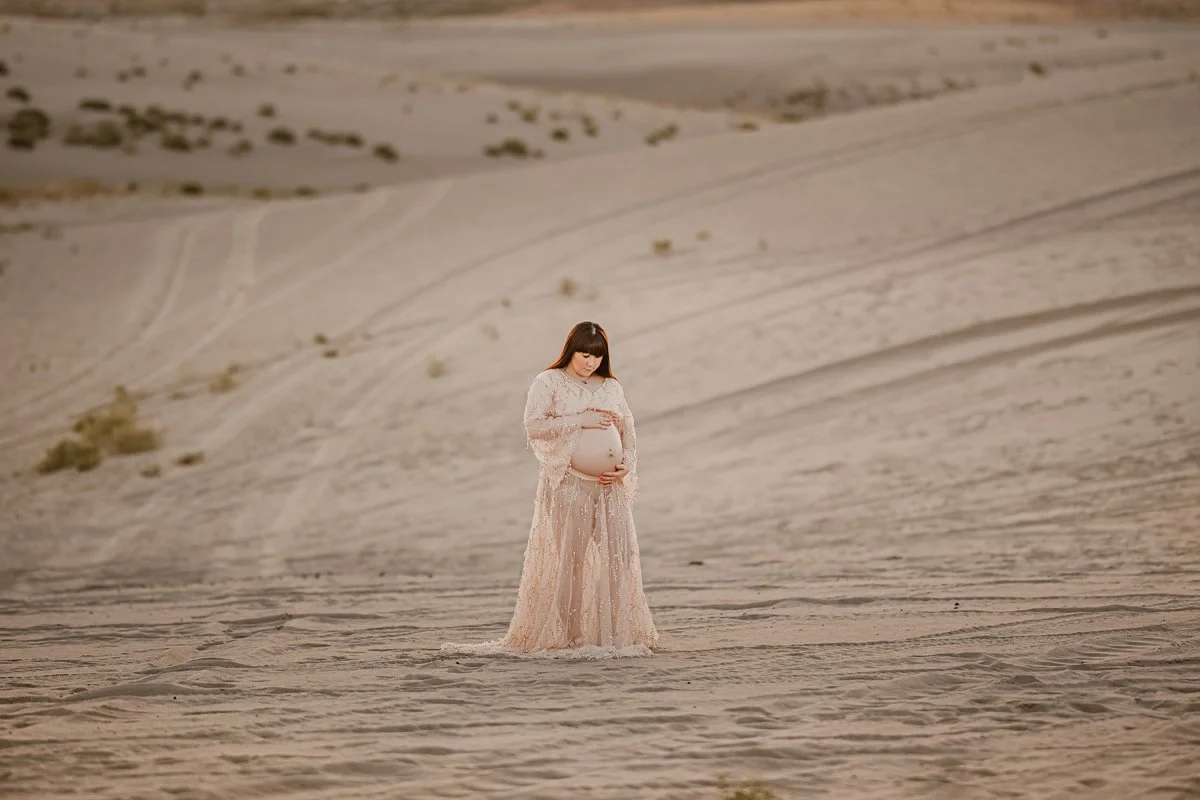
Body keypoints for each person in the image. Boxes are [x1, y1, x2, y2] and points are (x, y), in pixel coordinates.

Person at [442, 321, 659, 658]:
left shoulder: (612, 386)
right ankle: (567, 636)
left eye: (597, 357)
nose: (590, 362)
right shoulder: (548, 382)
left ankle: (617, 634)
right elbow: (534, 426)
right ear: (571, 350)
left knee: (618, 558)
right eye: (585, 354)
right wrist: (580, 420)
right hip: (569, 483)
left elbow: (628, 429)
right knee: (569, 560)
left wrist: (626, 462)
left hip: (610, 487)